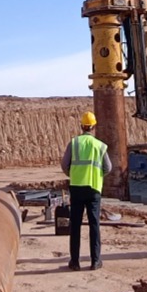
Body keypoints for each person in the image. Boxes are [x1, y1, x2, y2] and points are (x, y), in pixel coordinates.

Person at [60, 110, 112, 270]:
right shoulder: (100, 145)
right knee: (94, 224)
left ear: (82, 126)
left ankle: (74, 262)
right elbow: (108, 167)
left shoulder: (74, 143)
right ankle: (95, 261)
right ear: (94, 127)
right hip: (93, 189)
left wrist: (73, 174)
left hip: (76, 188)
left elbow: (64, 164)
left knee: (75, 225)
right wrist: (98, 175)